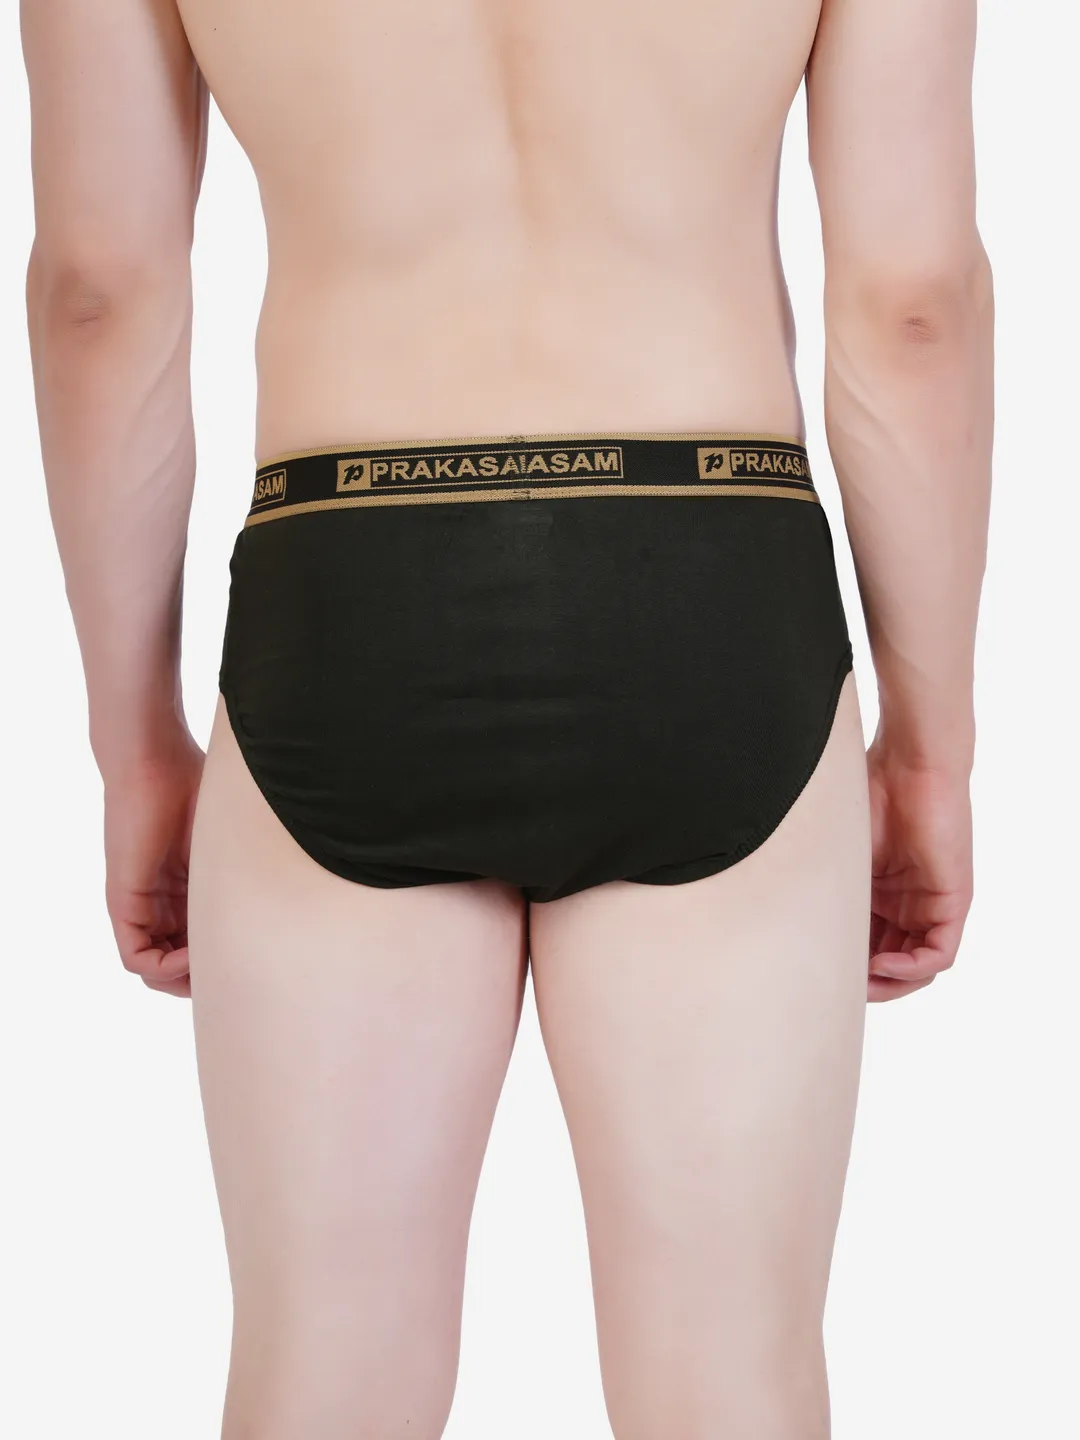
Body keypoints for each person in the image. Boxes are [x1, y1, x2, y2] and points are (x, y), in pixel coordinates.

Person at [19, 0, 992, 1434]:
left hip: (347, 589)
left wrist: (134, 748)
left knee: (325, 1372)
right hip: (707, 589)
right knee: (730, 1377)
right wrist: (929, 750)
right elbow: (913, 306)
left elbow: (100, 296)